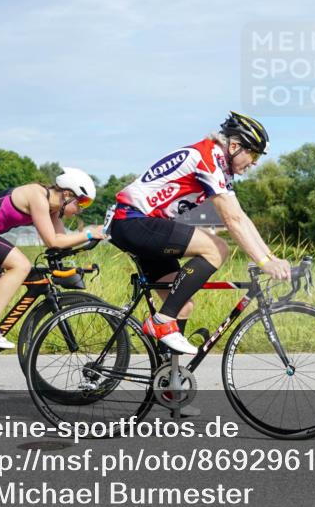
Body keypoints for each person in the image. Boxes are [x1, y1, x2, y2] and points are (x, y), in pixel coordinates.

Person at [108, 112, 291, 355]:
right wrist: (265, 262)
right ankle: (161, 322)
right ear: (235, 146)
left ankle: (166, 385)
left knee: (182, 306)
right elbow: (232, 220)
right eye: (253, 154)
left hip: (140, 225)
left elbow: (242, 217)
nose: (255, 162)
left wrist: (271, 257)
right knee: (217, 248)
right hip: (133, 221)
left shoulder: (220, 166)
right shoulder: (207, 158)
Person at [0, 167, 104, 349]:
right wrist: (90, 234)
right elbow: (52, 241)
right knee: (21, 266)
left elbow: (62, 240)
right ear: (67, 194)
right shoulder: (37, 196)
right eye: (82, 203)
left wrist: (91, 236)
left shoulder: (53, 210)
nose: (81, 210)